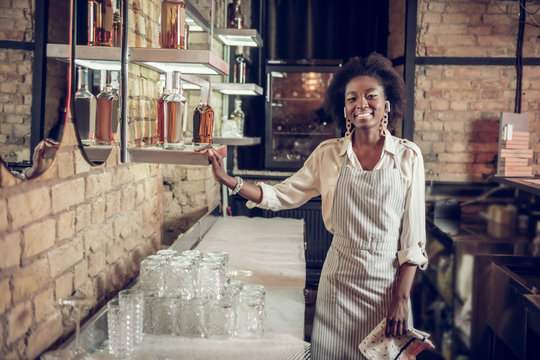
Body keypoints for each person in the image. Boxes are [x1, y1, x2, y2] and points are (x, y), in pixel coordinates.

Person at [200, 52, 428, 360]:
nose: (361, 104)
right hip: (338, 285)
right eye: (352, 98)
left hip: (388, 287)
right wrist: (230, 181)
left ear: (386, 105)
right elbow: (282, 195)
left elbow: (413, 239)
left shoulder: (407, 156)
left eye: (371, 96)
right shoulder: (328, 155)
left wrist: (401, 296)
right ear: (344, 109)